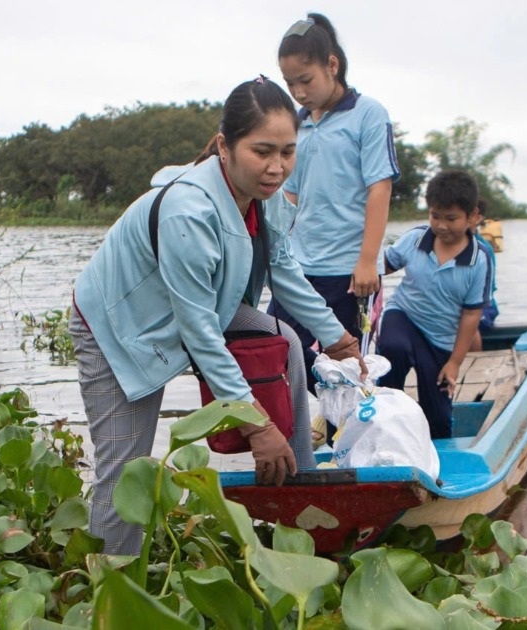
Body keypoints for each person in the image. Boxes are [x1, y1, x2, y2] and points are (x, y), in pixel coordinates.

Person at [69, 77, 364, 556]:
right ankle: (111, 581)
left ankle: (300, 490)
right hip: (118, 329)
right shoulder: (189, 212)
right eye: (263, 151)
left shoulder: (259, 197)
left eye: (288, 152)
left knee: (285, 342)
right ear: (225, 147)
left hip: (201, 307)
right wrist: (257, 425)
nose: (277, 167)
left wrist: (340, 341)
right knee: (126, 468)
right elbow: (202, 335)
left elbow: (285, 272)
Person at [271, 13, 400, 392]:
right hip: (298, 265)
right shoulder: (295, 123)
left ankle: (342, 443)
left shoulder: (368, 114)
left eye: (305, 80)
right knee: (273, 348)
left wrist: (366, 261)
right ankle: (295, 439)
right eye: (290, 83)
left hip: (347, 271)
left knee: (347, 370)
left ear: (332, 65)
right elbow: (289, 195)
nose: (298, 91)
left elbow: (380, 187)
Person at [377, 170, 493, 439]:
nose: (441, 225)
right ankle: (387, 423)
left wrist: (455, 362)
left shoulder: (480, 259)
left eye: (451, 218)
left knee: (439, 419)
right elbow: (381, 266)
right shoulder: (416, 239)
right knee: (393, 349)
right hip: (404, 316)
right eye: (435, 216)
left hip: (441, 339)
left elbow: (472, 313)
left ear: (471, 216)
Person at [469, 199, 499, 352]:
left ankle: (475, 363)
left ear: (477, 218)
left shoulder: (484, 249)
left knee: (467, 321)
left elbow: (486, 291)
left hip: (483, 306)